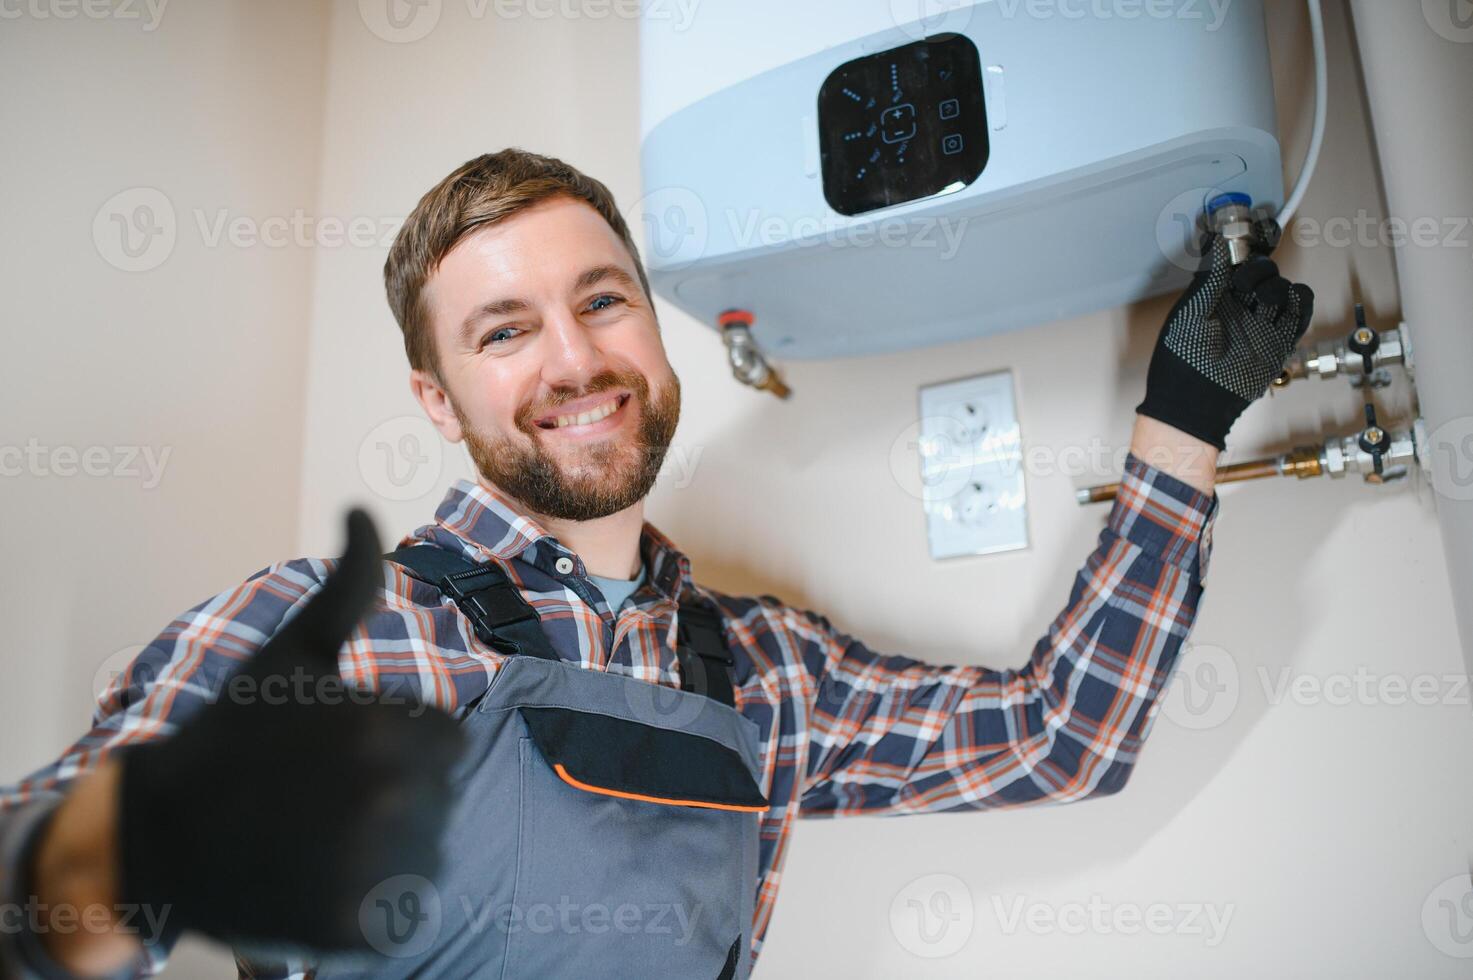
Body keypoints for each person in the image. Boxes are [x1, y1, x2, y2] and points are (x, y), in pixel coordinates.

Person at [0, 148, 1312, 979]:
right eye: (505, 331)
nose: (574, 360)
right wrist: (115, 853)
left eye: (603, 300)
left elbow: (1054, 737)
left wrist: (1182, 422)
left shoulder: (769, 674)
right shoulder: (321, 633)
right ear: (438, 403)